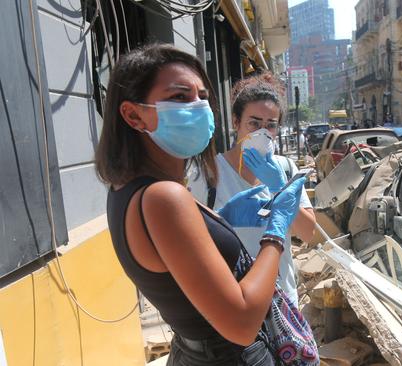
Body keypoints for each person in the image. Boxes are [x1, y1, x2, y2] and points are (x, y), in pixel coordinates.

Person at [96, 44, 304, 365]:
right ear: (134, 115)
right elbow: (242, 323)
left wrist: (219, 220)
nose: (197, 107)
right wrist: (276, 229)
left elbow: (176, 261)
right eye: (179, 97)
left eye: (202, 97)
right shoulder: (164, 196)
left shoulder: (127, 189)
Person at [213, 72, 316, 305]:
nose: (263, 132)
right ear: (236, 122)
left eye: (271, 125)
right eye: (254, 123)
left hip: (283, 301)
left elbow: (308, 233)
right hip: (235, 302)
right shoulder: (211, 174)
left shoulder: (287, 169)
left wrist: (280, 189)